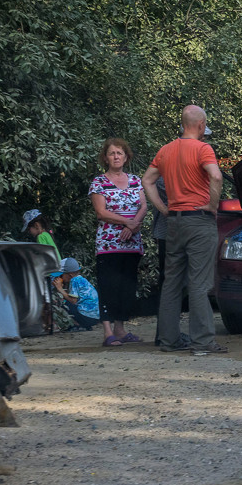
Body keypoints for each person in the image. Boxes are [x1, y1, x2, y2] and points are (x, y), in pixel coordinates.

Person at [142, 105, 227, 354]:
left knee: (171, 283)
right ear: (201, 125)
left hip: (174, 222)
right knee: (199, 283)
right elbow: (217, 177)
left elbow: (147, 180)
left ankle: (169, 341)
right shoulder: (203, 148)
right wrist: (212, 204)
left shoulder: (166, 150)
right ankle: (202, 343)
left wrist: (162, 207)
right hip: (199, 221)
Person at [89, 137, 147, 347]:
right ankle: (107, 332)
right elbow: (101, 212)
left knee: (126, 286)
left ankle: (120, 329)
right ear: (105, 157)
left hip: (132, 244)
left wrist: (134, 225)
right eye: (112, 153)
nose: (116, 156)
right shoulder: (99, 182)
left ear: (126, 156)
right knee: (108, 286)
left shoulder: (135, 180)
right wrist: (128, 223)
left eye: (119, 153)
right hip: (108, 244)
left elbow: (143, 206)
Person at [52, 258, 100, 332]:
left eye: (61, 276)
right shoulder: (81, 279)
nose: (59, 277)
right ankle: (84, 325)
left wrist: (60, 289)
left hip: (87, 317)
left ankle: (77, 325)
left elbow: (73, 301)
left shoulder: (74, 280)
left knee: (64, 303)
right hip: (94, 317)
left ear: (70, 275)